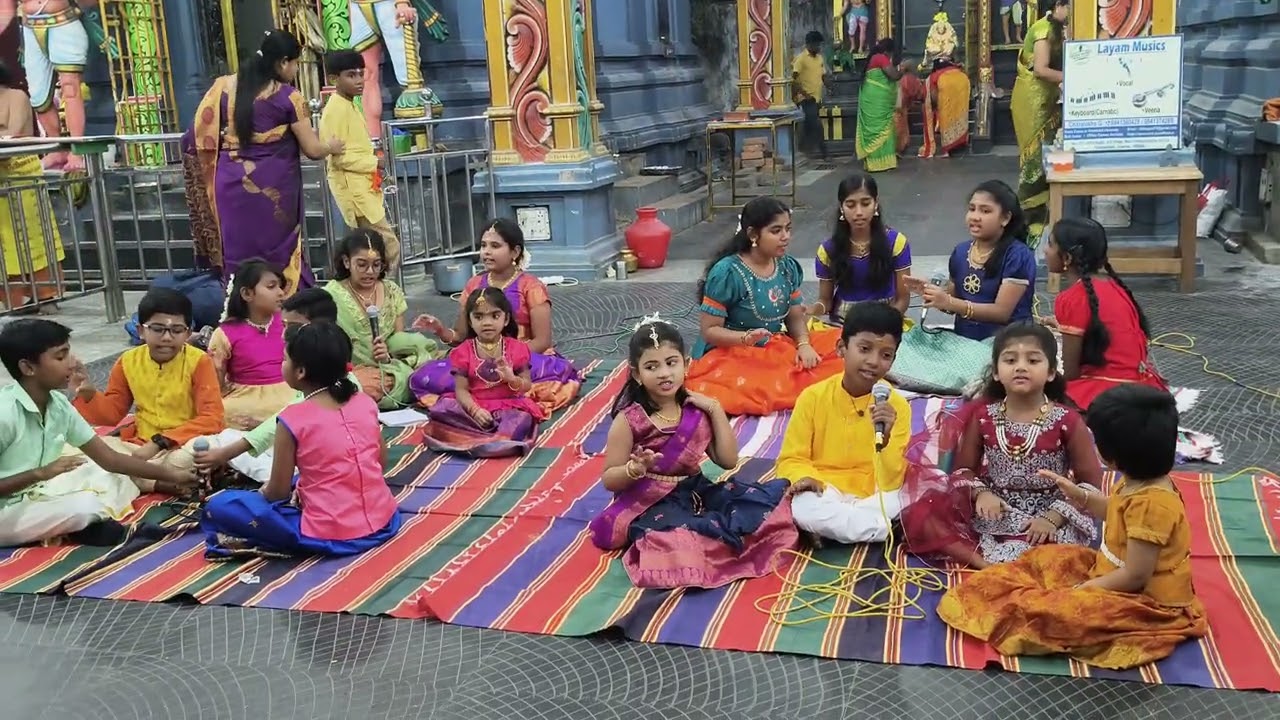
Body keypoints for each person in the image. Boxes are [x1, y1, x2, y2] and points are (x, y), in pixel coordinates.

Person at [937, 384, 1208, 670]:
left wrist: (1083, 590)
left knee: (1050, 612)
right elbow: (1117, 513)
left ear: (1111, 457)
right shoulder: (1139, 480)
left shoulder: (1153, 504)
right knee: (1046, 558)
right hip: (1110, 571)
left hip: (1144, 601)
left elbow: (1135, 576)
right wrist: (1081, 496)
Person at [589, 318, 798, 589]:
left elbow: (727, 460)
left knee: (761, 506)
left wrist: (714, 409)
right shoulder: (629, 420)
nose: (664, 373)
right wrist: (634, 470)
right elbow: (609, 479)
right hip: (651, 501)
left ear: (686, 364)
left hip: (696, 492)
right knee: (675, 539)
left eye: (671, 362)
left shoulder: (696, 411)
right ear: (637, 374)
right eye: (652, 366)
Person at [899, 323, 1103, 568]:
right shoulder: (984, 416)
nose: (1020, 367)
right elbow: (963, 471)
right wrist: (981, 493)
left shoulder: (1067, 420)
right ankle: (985, 566)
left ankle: (1000, 563)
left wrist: (1052, 518)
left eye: (1033, 360)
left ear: (1051, 372)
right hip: (995, 511)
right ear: (995, 371)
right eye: (1010, 360)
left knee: (1053, 557)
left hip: (1048, 515)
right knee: (925, 518)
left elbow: (1089, 485)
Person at [200, 322, 401, 559]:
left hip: (332, 533)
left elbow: (277, 494)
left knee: (221, 505)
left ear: (301, 371)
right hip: (384, 518)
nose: (282, 364)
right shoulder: (364, 402)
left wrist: (264, 494)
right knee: (304, 480)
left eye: (285, 359)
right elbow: (380, 461)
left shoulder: (292, 418)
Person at [0, 319, 197, 546]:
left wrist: (173, 475)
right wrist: (39, 474)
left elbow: (110, 459)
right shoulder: (5, 413)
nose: (73, 363)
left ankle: (69, 527)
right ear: (28, 368)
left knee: (104, 471)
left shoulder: (58, 405)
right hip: (6, 510)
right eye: (60, 357)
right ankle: (82, 527)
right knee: (85, 506)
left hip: (37, 494)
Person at [190, 30, 344, 291]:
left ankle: (238, 309)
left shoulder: (223, 88)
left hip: (229, 187)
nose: (295, 69)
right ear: (283, 62)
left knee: (240, 257)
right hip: (271, 191)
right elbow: (313, 150)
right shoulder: (289, 97)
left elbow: (199, 133)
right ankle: (285, 308)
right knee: (276, 257)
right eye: (295, 63)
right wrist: (332, 145)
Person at [684, 197, 843, 416]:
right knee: (767, 386)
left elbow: (795, 317)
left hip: (775, 343)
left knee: (844, 349)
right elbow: (710, 331)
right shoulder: (728, 273)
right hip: (733, 351)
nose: (785, 237)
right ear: (752, 235)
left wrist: (804, 344)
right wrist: (745, 338)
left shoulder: (786, 266)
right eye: (776, 231)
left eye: (788, 229)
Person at [410, 219, 581, 414]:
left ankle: (487, 398)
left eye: (495, 246)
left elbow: (542, 341)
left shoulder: (530, 286)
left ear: (515, 252)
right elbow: (459, 337)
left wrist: (509, 358)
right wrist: (440, 330)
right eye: (483, 246)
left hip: (523, 359)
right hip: (477, 360)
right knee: (426, 376)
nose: (486, 252)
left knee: (547, 379)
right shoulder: (474, 285)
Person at [779, 302, 913, 544]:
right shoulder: (813, 397)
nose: (873, 361)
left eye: (885, 355)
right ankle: (886, 530)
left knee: (920, 493)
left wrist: (888, 439)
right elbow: (792, 458)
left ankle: (831, 530)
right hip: (825, 489)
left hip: (874, 492)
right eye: (864, 348)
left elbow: (892, 479)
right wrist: (805, 477)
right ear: (842, 347)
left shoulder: (896, 406)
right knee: (804, 505)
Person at [192, 288, 356, 484]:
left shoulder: (310, 396)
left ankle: (293, 479)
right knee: (227, 436)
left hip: (319, 475)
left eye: (293, 327)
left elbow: (279, 426)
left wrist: (226, 454)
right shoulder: (361, 399)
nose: (284, 334)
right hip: (350, 476)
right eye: (284, 325)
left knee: (225, 505)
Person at [70, 289, 224, 482]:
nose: (167, 338)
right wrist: (89, 395)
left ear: (187, 333)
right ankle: (159, 481)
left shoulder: (199, 361)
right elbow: (112, 414)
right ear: (141, 331)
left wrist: (160, 442)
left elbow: (212, 419)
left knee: (185, 458)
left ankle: (144, 477)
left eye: (176, 330)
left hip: (184, 443)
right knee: (96, 452)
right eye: (158, 329)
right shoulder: (128, 361)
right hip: (139, 445)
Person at [1044, 217, 1168, 410]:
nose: (1045, 251)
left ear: (1067, 258)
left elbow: (1070, 372)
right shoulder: (1114, 285)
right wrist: (1061, 325)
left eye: (1050, 245)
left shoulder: (1071, 298)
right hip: (1141, 383)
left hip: (1108, 391)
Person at [420, 287, 548, 457]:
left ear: (506, 319)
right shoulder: (463, 351)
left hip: (508, 405)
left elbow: (526, 386)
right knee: (442, 409)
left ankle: (479, 440)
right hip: (475, 405)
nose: (487, 323)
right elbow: (461, 389)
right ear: (470, 321)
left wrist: (511, 378)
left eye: (495, 316)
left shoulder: (517, 349)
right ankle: (495, 442)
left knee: (521, 419)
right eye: (479, 317)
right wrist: (475, 411)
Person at [323, 228, 439, 409]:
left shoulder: (391, 290)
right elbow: (327, 346)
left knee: (438, 365)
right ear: (346, 262)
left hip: (391, 367)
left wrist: (388, 356)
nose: (370, 271)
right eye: (362, 264)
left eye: (376, 265)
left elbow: (399, 340)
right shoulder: (331, 295)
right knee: (362, 386)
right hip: (353, 370)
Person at [918, 179, 1036, 341]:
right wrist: (932, 294)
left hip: (1009, 345)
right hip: (965, 342)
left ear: (1005, 218)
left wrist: (949, 302)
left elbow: (1001, 313)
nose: (975, 217)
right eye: (972, 209)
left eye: (985, 211)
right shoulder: (960, 252)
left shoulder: (1018, 256)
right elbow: (953, 304)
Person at [318, 50, 400, 269]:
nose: (358, 80)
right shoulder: (335, 109)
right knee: (388, 247)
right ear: (335, 79)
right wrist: (374, 163)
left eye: (360, 74)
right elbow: (339, 159)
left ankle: (374, 294)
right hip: (355, 193)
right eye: (351, 75)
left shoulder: (350, 104)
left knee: (372, 251)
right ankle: (377, 293)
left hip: (364, 189)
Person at [0, 61, 63, 313]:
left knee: (29, 237)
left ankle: (42, 294)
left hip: (21, 173)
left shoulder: (16, 96)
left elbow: (13, 134)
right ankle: (11, 299)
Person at [207, 259, 293, 430]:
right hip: (245, 399)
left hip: (290, 392)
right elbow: (214, 383)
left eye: (280, 287)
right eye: (271, 287)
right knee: (224, 413)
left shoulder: (289, 322)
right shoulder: (225, 333)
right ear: (247, 294)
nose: (280, 293)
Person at [813, 173, 911, 320]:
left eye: (865, 203)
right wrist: (812, 309)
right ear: (841, 207)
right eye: (850, 205)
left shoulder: (896, 242)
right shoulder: (828, 250)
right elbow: (825, 301)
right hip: (843, 323)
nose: (858, 212)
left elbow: (902, 298)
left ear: (876, 203)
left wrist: (888, 325)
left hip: (887, 319)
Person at [1011, 0, 1070, 242]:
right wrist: (1078, 77)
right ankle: (1030, 218)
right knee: (1036, 157)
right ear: (1059, 5)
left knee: (1050, 153)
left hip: (1049, 98)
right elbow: (1041, 69)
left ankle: (1047, 212)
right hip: (1033, 101)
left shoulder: (1058, 28)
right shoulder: (1043, 29)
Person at [856, 38, 913, 173]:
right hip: (877, 100)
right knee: (882, 127)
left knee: (878, 127)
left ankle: (877, 163)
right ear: (888, 51)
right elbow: (893, 75)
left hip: (873, 99)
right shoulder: (881, 58)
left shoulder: (874, 58)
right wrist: (904, 69)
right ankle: (881, 163)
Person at [919, 56, 971, 159]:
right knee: (959, 112)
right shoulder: (961, 73)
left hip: (945, 87)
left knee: (946, 114)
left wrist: (936, 106)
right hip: (963, 82)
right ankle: (961, 141)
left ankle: (946, 148)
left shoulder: (934, 76)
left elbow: (931, 98)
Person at [792, 30, 831, 162]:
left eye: (819, 45)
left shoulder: (819, 58)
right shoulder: (801, 59)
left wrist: (829, 86)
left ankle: (806, 151)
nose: (818, 47)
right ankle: (824, 153)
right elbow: (793, 79)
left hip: (817, 97)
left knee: (810, 125)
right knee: (816, 125)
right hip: (806, 99)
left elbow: (823, 74)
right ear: (809, 44)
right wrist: (804, 94)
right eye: (816, 44)